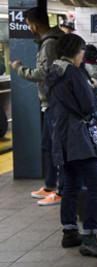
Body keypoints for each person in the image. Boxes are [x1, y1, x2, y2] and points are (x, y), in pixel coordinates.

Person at [44, 33, 97, 258]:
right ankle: (90, 237)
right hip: (78, 139)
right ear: (77, 51)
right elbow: (89, 106)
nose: (83, 55)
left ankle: (69, 232)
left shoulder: (53, 71)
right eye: (82, 51)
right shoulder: (73, 72)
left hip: (60, 137)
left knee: (71, 186)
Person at [11, 7, 65, 206]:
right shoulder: (53, 40)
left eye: (28, 24)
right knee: (49, 146)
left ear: (33, 24)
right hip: (51, 103)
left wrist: (19, 69)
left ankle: (59, 190)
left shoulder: (49, 44)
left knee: (55, 148)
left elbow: (42, 74)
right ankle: (51, 186)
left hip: (53, 103)